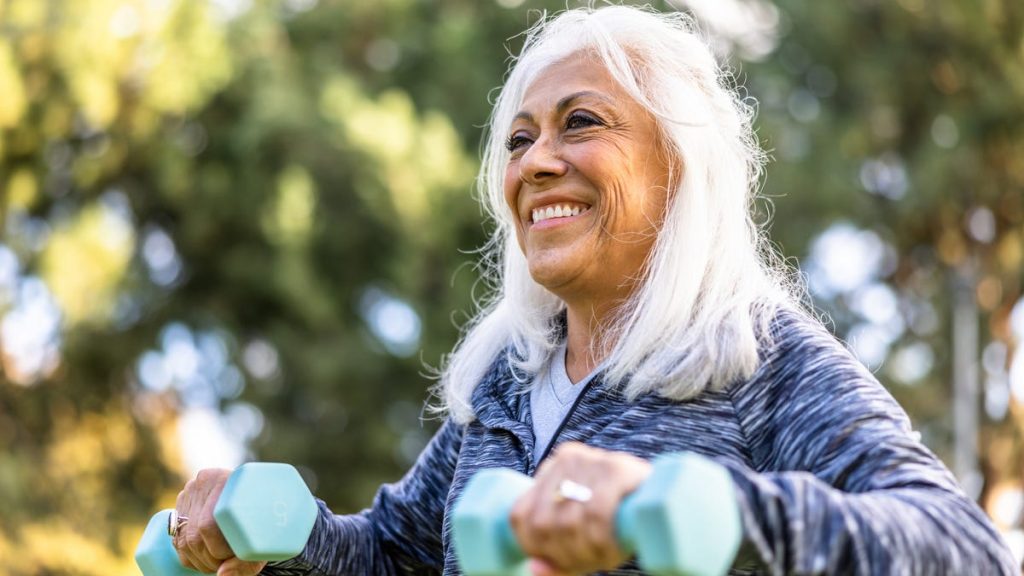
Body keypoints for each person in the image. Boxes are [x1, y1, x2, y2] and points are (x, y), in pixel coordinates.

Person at [169, 5, 1017, 575]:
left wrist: (712, 512)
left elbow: (964, 548)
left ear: (678, 164)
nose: (535, 162)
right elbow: (395, 556)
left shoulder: (757, 357)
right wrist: (278, 538)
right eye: (520, 138)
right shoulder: (510, 377)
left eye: (582, 122)